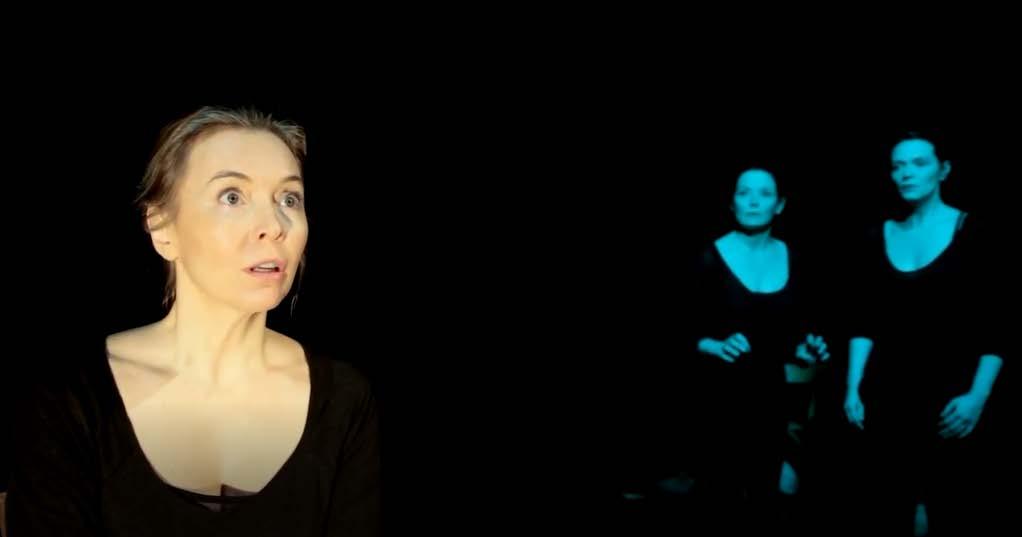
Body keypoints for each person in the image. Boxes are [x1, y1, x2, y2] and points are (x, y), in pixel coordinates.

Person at [5, 107, 380, 536]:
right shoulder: (70, 401)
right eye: (232, 196)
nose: (274, 225)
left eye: (288, 199)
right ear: (162, 227)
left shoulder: (345, 400)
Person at [843, 130, 1006, 535]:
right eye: (898, 165)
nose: (906, 173)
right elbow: (864, 321)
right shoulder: (878, 234)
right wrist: (853, 387)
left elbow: (997, 325)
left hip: (951, 400)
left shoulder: (973, 230)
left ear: (943, 170)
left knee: (952, 508)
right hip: (887, 398)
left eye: (919, 163)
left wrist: (978, 397)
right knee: (886, 509)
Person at [688, 166, 830, 533]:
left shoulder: (793, 257)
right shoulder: (707, 257)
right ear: (732, 203)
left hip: (771, 402)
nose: (753, 201)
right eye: (744, 193)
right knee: (719, 503)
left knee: (766, 506)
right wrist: (713, 345)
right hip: (717, 404)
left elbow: (789, 334)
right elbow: (674, 333)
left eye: (764, 194)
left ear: (780, 205)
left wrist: (805, 349)